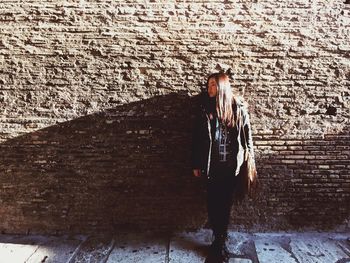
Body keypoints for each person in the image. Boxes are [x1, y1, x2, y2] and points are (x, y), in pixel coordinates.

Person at [191, 71, 256, 263]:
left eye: (213, 85)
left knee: (225, 205)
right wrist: (195, 163)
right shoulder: (204, 109)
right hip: (212, 167)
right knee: (212, 204)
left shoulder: (238, 109)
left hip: (231, 168)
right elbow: (196, 139)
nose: (210, 88)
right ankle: (218, 239)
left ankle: (220, 242)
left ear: (222, 87)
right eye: (209, 84)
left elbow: (247, 137)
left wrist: (249, 161)